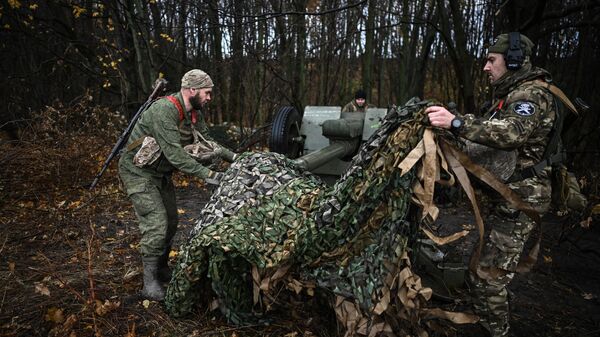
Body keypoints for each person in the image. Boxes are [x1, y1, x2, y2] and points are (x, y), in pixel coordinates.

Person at [426, 33, 564, 336]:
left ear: (513, 60)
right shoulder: (512, 94)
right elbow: (492, 130)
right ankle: (489, 315)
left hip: (520, 198)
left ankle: (496, 329)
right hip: (508, 195)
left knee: (487, 276)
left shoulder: (530, 95)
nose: (486, 67)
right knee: (486, 267)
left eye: (492, 60)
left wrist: (457, 123)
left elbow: (511, 133)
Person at [118, 69, 236, 301]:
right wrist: (209, 174)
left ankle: (161, 269)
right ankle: (149, 284)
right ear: (192, 90)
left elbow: (209, 143)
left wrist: (236, 159)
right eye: (207, 93)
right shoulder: (164, 110)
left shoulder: (194, 114)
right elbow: (174, 154)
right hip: (138, 172)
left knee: (172, 221)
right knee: (157, 224)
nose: (209, 97)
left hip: (159, 174)